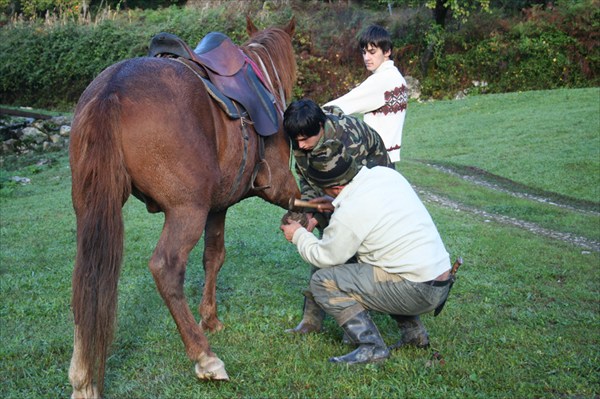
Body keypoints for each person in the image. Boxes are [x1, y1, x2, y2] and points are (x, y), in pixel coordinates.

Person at [280, 140, 452, 364]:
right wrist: (336, 203)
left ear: (334, 186)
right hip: (439, 280)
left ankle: (371, 347)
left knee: (323, 281)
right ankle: (414, 335)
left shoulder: (351, 212)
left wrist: (298, 235)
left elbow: (326, 257)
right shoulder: (384, 175)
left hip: (418, 291)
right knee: (384, 266)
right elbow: (369, 207)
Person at [282, 98, 393, 334]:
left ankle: (399, 328)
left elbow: (354, 188)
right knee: (328, 243)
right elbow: (310, 179)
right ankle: (311, 320)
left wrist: (331, 215)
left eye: (305, 139)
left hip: (374, 184)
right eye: (296, 140)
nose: (300, 146)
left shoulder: (348, 139)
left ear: (320, 128)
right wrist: (312, 212)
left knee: (364, 254)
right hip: (339, 190)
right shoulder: (302, 141)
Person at [323, 25, 408, 163]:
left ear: (387, 51)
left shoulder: (382, 80)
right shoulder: (397, 77)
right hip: (388, 158)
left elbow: (345, 104)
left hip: (376, 159)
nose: (367, 57)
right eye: (364, 52)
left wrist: (310, 115)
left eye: (372, 52)